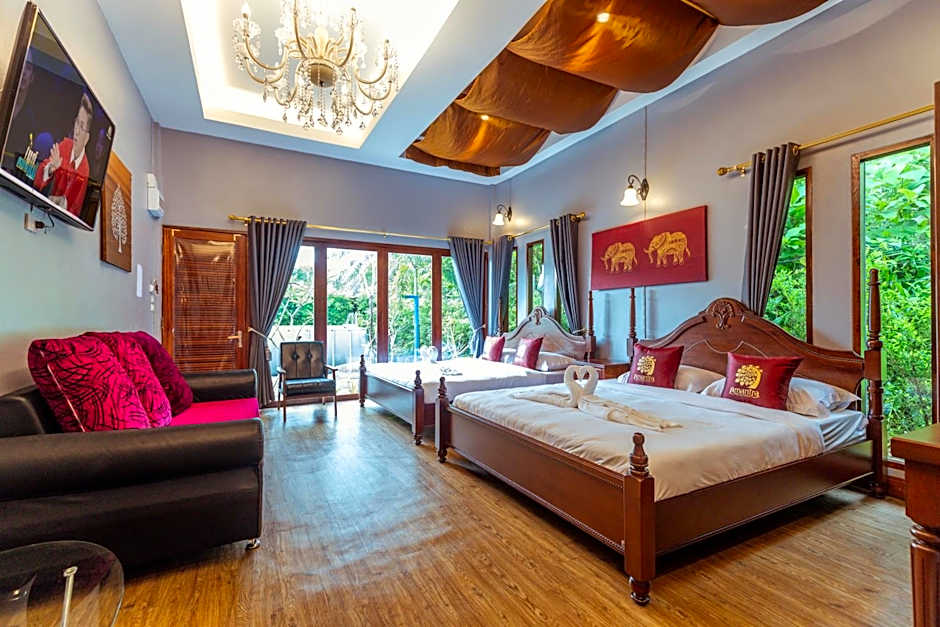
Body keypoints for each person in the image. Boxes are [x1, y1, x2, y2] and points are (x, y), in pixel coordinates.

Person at [34, 92, 93, 216]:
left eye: (82, 126)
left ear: (87, 138)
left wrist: (62, 202)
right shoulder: (65, 145)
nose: (76, 131)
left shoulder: (85, 170)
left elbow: (75, 209)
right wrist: (50, 169)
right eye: (77, 122)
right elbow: (38, 175)